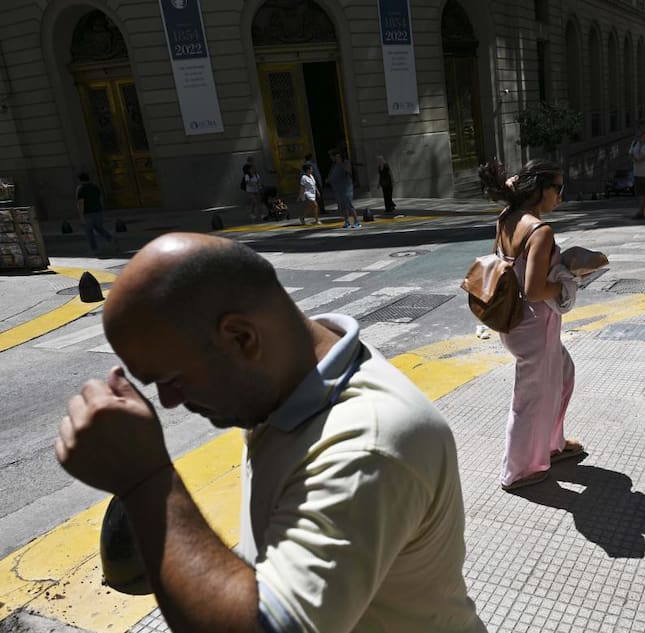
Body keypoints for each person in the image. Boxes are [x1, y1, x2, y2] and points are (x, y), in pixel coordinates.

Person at [55, 233, 487, 633]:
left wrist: (146, 481)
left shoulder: (368, 444)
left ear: (242, 338)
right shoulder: (291, 384)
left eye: (171, 378)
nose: (168, 401)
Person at [477, 159, 583, 492]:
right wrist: (569, 281)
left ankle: (551, 445)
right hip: (534, 327)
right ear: (540, 189)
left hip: (515, 321)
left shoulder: (506, 217)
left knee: (563, 376)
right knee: (529, 400)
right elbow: (535, 289)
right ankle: (518, 471)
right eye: (558, 189)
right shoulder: (540, 231)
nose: (561, 197)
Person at [75, 172, 118, 255]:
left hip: (88, 213)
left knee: (89, 232)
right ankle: (110, 239)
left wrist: (81, 216)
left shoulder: (81, 189)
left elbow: (81, 203)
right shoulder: (95, 187)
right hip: (98, 211)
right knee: (99, 228)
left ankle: (95, 249)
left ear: (80, 180)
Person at [329, 149, 359, 229]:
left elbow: (348, 171)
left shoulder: (345, 163)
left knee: (349, 205)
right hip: (339, 189)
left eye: (337, 157)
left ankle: (357, 222)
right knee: (343, 207)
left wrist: (342, 164)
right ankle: (347, 222)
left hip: (346, 189)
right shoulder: (335, 165)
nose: (335, 158)